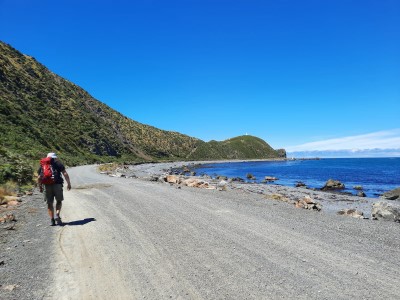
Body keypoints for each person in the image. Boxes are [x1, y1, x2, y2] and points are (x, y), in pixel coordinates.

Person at [38, 152, 71, 226]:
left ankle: (52, 220)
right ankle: (57, 214)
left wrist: (40, 186)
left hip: (46, 185)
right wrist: (68, 183)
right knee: (59, 201)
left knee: (49, 203)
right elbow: (65, 173)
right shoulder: (58, 163)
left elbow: (39, 177)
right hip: (57, 185)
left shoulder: (43, 164)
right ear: (54, 157)